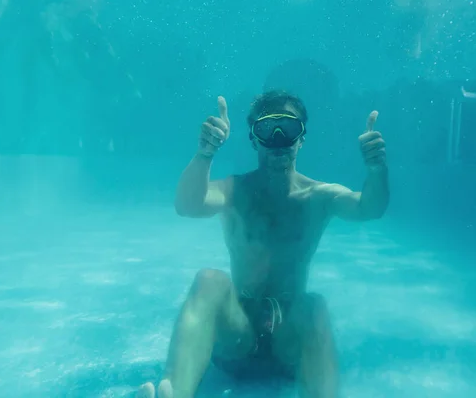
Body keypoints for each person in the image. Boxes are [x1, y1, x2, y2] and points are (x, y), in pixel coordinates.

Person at [138, 90, 389, 398]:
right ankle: (173, 392)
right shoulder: (235, 191)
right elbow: (188, 205)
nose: (279, 139)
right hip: (236, 337)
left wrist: (376, 168)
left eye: (289, 128)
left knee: (313, 306)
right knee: (209, 281)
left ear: (302, 137)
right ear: (254, 139)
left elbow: (370, 208)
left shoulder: (319, 196)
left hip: (289, 347)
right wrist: (205, 153)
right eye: (267, 129)